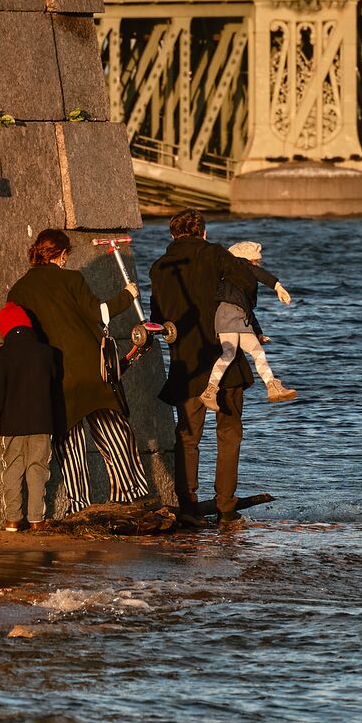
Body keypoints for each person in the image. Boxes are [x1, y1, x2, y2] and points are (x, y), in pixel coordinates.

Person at [8, 229, 153, 514]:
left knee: (68, 443)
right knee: (114, 433)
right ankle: (128, 495)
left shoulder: (18, 291)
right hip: (90, 371)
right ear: (62, 254)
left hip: (53, 377)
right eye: (67, 255)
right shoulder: (71, 279)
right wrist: (128, 295)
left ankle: (78, 505)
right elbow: (99, 313)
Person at [148, 209, 252, 524]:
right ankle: (226, 507)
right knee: (229, 432)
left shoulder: (159, 268)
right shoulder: (214, 254)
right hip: (226, 358)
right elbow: (245, 282)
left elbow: (157, 316)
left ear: (172, 234)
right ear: (203, 232)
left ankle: (188, 505)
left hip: (186, 362)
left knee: (188, 435)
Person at [0, 302, 59, 532]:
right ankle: (37, 519)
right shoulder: (48, 353)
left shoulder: (2, 355)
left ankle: (12, 520)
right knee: (38, 469)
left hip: (12, 423)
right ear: (28, 326)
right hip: (42, 422)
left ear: (4, 329)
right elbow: (55, 388)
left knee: (13, 469)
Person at [201, 241, 298, 411]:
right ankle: (209, 391)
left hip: (240, 318)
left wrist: (258, 333)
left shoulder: (242, 279)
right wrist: (278, 286)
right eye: (256, 262)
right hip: (228, 315)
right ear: (249, 260)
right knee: (229, 354)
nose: (257, 264)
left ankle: (272, 387)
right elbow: (259, 274)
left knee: (257, 351)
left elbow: (247, 309)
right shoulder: (241, 266)